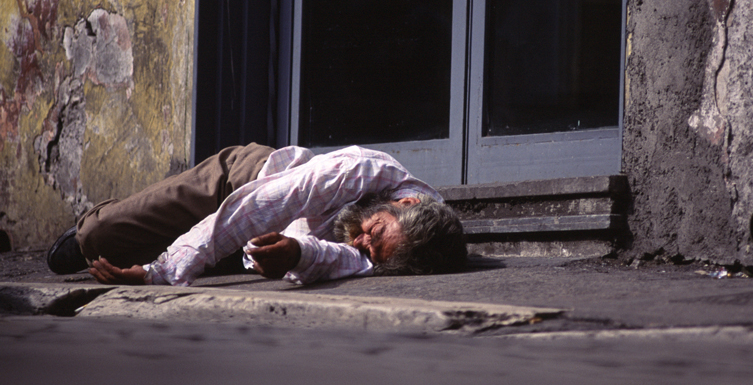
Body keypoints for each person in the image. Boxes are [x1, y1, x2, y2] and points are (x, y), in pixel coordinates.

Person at [47, 143, 467, 286]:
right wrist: (161, 272)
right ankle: (91, 226)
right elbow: (260, 207)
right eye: (371, 232)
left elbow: (352, 261)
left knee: (167, 256)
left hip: (258, 240)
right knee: (99, 239)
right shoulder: (362, 169)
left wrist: (297, 255)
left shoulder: (406, 245)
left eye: (372, 251)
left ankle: (201, 251)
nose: (360, 242)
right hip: (244, 184)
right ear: (405, 203)